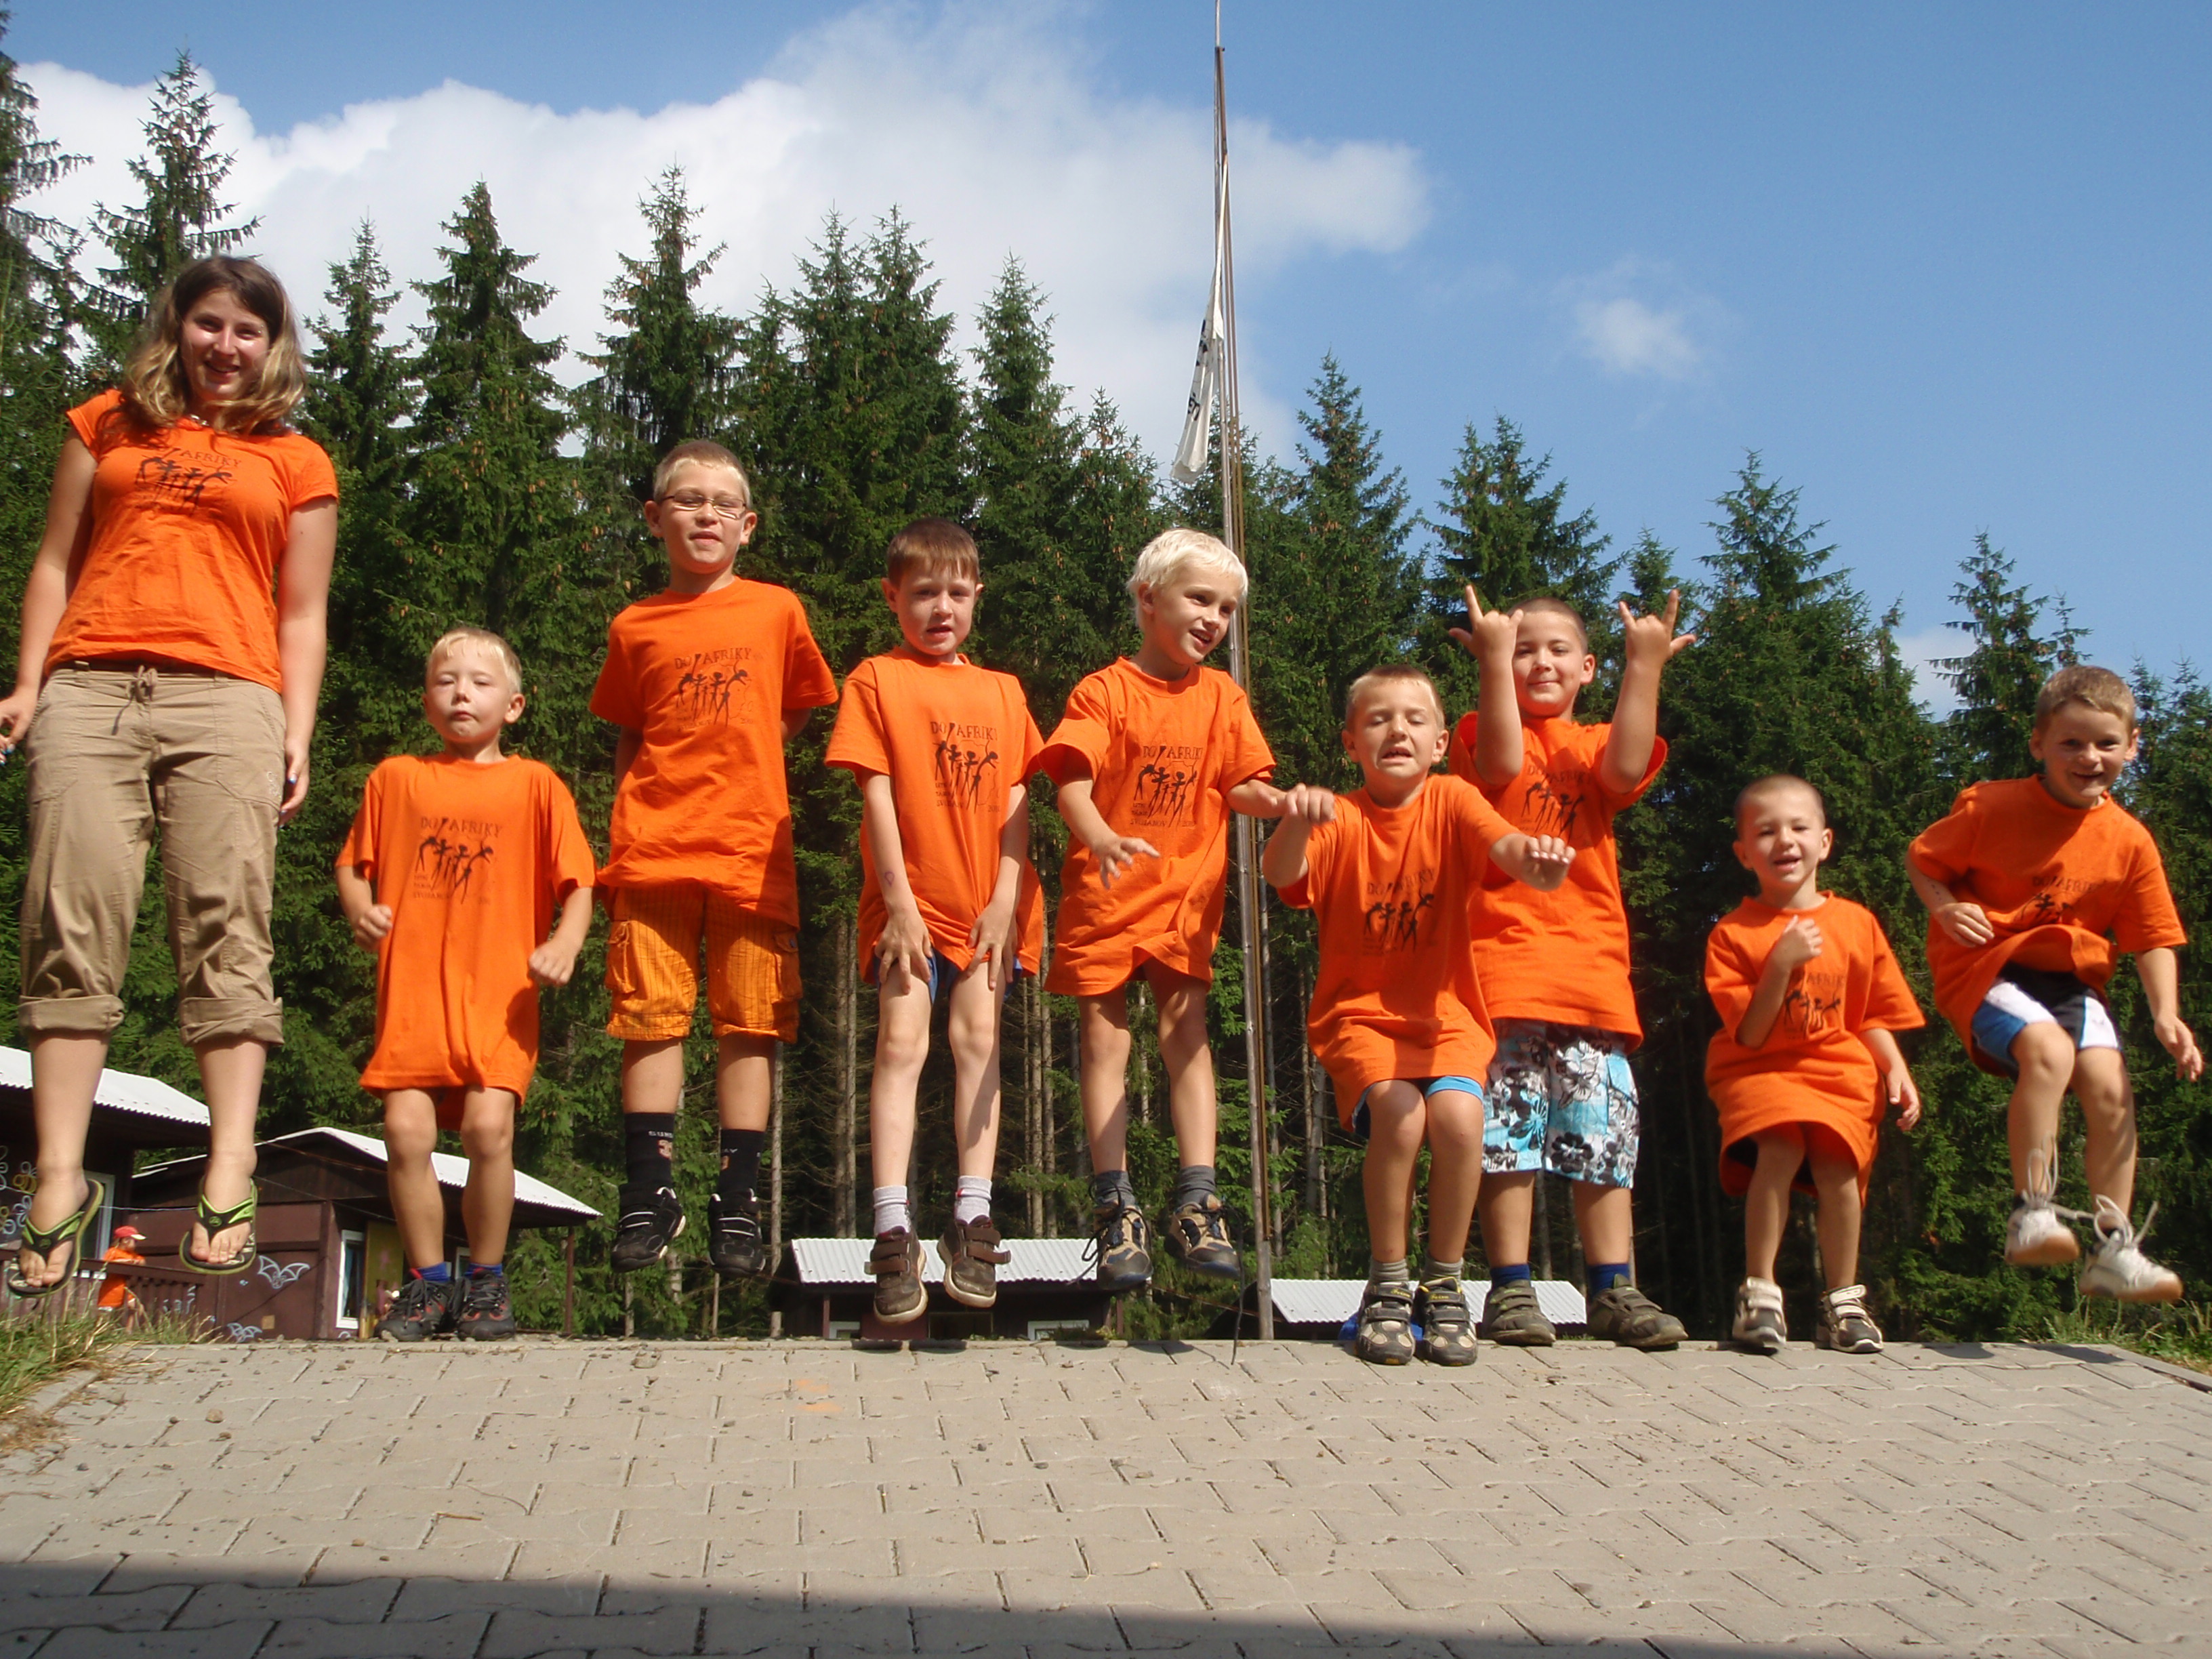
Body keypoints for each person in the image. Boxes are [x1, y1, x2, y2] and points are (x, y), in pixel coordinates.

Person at [0, 257, 337, 1298]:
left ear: (272, 345)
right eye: (209, 324)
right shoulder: (105, 423)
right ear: (178, 328)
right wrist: (27, 684)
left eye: (247, 330)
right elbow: (55, 560)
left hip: (230, 699)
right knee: (70, 921)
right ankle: (60, 1175)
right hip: (90, 688)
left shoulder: (296, 460)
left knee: (226, 922)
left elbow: (302, 611)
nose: (225, 346)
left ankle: (230, 1167)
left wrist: (297, 728)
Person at [1263, 665, 1573, 1365]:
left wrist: (1540, 864)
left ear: (1439, 743)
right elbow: (1281, 874)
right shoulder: (1340, 816)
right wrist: (1294, 821)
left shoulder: (1454, 798)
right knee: (1401, 1116)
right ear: (1351, 743)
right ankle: (1388, 1284)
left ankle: (1444, 1282)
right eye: (1378, 720)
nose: (1396, 730)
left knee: (1461, 1118)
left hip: (1447, 1016)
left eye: (1413, 719)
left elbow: (1507, 847)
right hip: (1361, 1018)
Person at [591, 441, 837, 1279]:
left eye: (723, 505)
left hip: (749, 847)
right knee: (649, 1016)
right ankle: (650, 1188)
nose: (706, 515)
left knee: (752, 1019)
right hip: (653, 847)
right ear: (654, 517)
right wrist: (632, 818)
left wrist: (749, 754)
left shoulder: (776, 610)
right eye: (687, 501)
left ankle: (739, 1197)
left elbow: (800, 705)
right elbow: (629, 730)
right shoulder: (635, 625)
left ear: (747, 526)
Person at [1039, 527, 1284, 1292]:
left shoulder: (1223, 697)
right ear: (1149, 600)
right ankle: (1115, 1206)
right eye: (1200, 599)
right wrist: (1103, 838)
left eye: (1228, 609)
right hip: (1107, 896)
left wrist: (1284, 801)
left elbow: (1240, 784)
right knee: (1104, 1044)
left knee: (1188, 1035)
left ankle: (1198, 1201)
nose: (1215, 619)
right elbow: (1070, 781)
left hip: (1184, 899)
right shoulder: (1103, 691)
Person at [1446, 588, 1691, 1349]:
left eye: (1558, 650)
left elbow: (1624, 770)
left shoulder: (1592, 743)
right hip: (1503, 975)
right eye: (1523, 649)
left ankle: (1613, 1288)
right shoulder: (1478, 731)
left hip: (1591, 982)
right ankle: (1511, 1288)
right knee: (1506, 1138)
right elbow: (1501, 763)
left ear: (1588, 668)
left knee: (1602, 1139)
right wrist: (1493, 662)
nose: (1540, 662)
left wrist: (1645, 666)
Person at [1907, 665, 2200, 1300]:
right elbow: (1924, 859)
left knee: (2110, 1088)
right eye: (2071, 743)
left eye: (2105, 744)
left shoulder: (2129, 841)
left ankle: (2114, 1249)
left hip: (2068, 977)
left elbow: (2152, 935)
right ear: (2038, 743)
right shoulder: (1991, 806)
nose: (2089, 757)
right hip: (1987, 964)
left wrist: (2165, 1014)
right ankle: (2032, 1212)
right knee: (2049, 1051)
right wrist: (1945, 908)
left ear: (2132, 746)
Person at [335, 628, 596, 1342]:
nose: (461, 694)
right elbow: (352, 864)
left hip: (499, 996)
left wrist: (565, 943)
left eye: (480, 683)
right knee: (405, 1132)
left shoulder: (536, 785)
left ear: (513, 705)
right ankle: (427, 1283)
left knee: (487, 1129)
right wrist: (361, 911)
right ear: (427, 702)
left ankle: (486, 1277)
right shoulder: (396, 779)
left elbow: (579, 881)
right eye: (446, 681)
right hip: (414, 993)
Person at [825, 519, 1043, 1323]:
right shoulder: (877, 680)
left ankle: (971, 1219)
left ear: (978, 595)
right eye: (923, 593)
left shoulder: (1005, 692)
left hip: (987, 910)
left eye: (956, 592)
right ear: (893, 598)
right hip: (907, 911)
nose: (941, 608)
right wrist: (899, 906)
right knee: (900, 1044)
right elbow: (876, 794)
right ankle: (893, 1230)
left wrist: (1005, 902)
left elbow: (1019, 803)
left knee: (978, 1043)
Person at [1704, 776, 1924, 1354]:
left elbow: (1871, 1013)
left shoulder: (1856, 923)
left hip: (1836, 1067)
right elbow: (1752, 1033)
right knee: (1780, 1147)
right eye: (1766, 831)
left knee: (1839, 1163)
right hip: (1759, 1069)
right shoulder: (1733, 934)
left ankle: (1843, 1301)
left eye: (1799, 827)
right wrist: (1780, 964)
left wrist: (1895, 1068)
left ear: (1824, 842)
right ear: (1744, 853)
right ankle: (1759, 1293)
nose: (1785, 840)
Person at [96, 1225, 145, 1320]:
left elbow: (142, 1261)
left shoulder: (132, 1255)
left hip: (125, 1289)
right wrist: (123, 1262)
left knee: (138, 1308)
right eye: (135, 1241)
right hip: (111, 1289)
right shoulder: (113, 1251)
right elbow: (106, 1263)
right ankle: (101, 1329)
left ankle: (129, 1329)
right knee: (105, 1314)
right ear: (125, 1240)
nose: (136, 1244)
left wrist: (137, 1262)